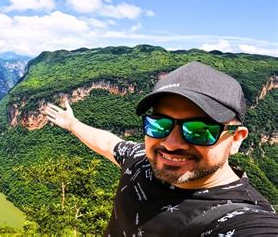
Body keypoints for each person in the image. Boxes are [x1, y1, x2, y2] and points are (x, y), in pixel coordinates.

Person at [45, 61, 278, 236]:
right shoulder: (140, 162)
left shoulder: (243, 219)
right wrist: (72, 124)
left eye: (199, 130)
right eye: (159, 125)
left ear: (236, 139)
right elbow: (108, 143)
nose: (171, 144)